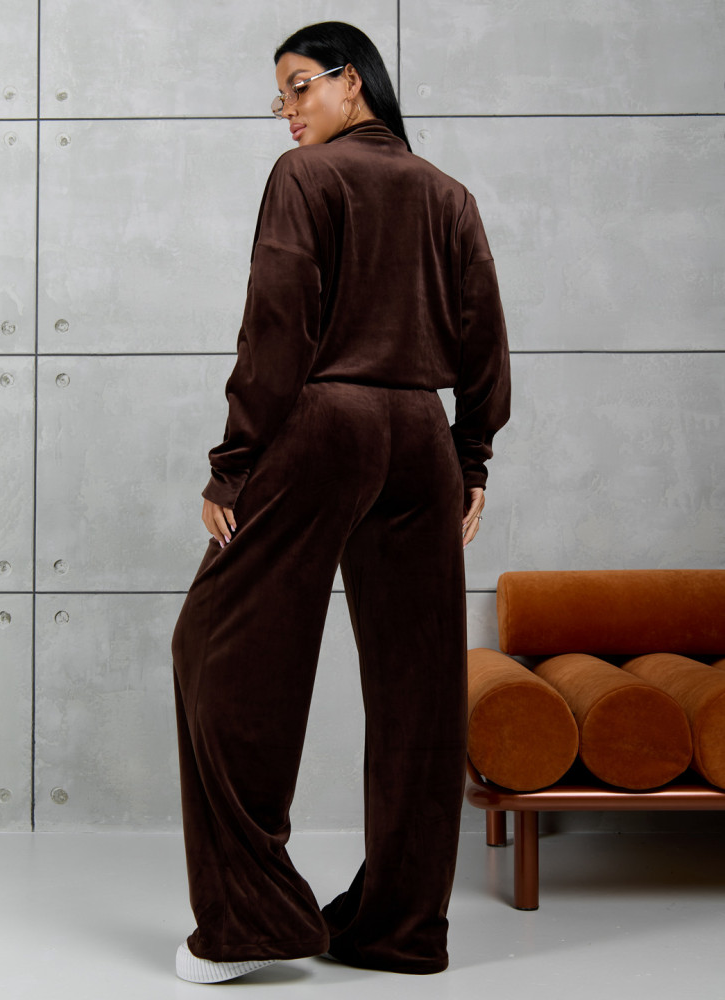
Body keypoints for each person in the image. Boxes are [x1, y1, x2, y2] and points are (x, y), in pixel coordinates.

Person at [172, 20, 510, 985]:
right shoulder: (448, 194)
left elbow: (275, 322)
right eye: (279, 96)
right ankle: (401, 929)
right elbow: (485, 337)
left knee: (215, 646)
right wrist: (471, 457)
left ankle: (250, 919)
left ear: (351, 82)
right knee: (419, 686)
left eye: (299, 86)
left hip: (328, 424)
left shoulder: (307, 178)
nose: (286, 112)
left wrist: (234, 463)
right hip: (422, 437)